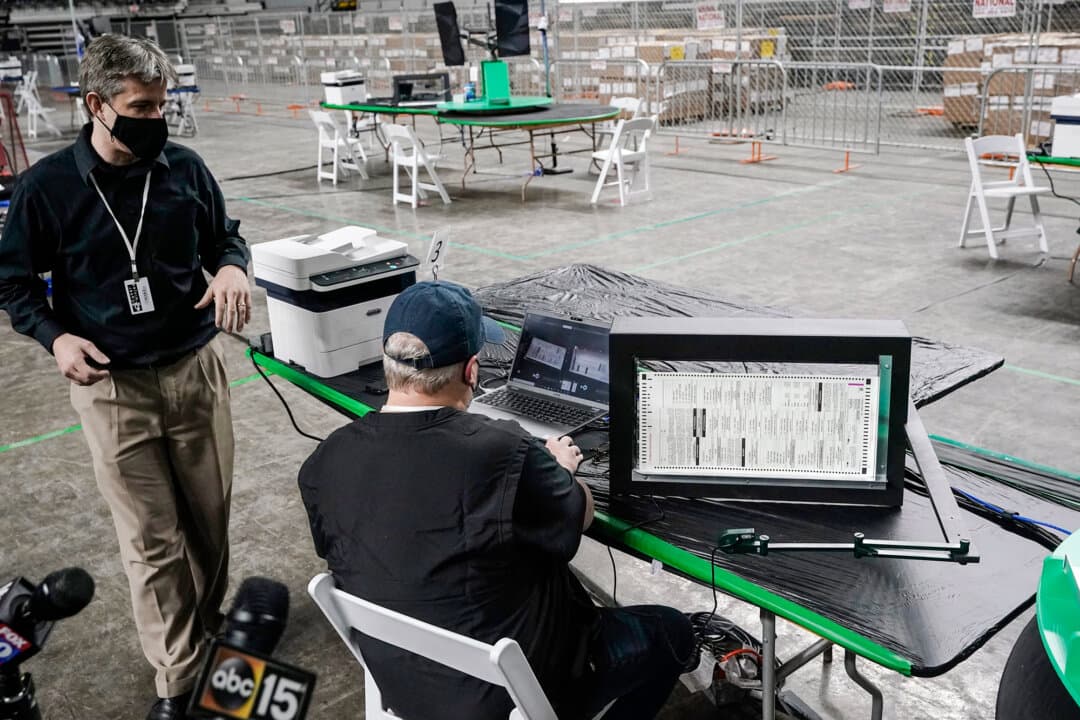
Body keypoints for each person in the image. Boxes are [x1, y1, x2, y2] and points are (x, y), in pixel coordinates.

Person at [299, 281, 697, 720]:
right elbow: (577, 515)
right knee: (672, 633)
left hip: (404, 682)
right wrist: (561, 469)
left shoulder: (325, 460)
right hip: (509, 696)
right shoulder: (501, 451)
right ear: (472, 371)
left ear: (388, 363)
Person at [0, 35, 250, 720]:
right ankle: (176, 683)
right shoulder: (46, 189)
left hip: (194, 374)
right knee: (151, 544)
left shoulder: (184, 170)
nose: (154, 117)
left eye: (161, 104)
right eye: (140, 105)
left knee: (209, 527)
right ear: (96, 105)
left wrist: (232, 266)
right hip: (113, 391)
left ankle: (200, 634)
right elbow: (13, 281)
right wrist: (55, 338)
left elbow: (225, 237)